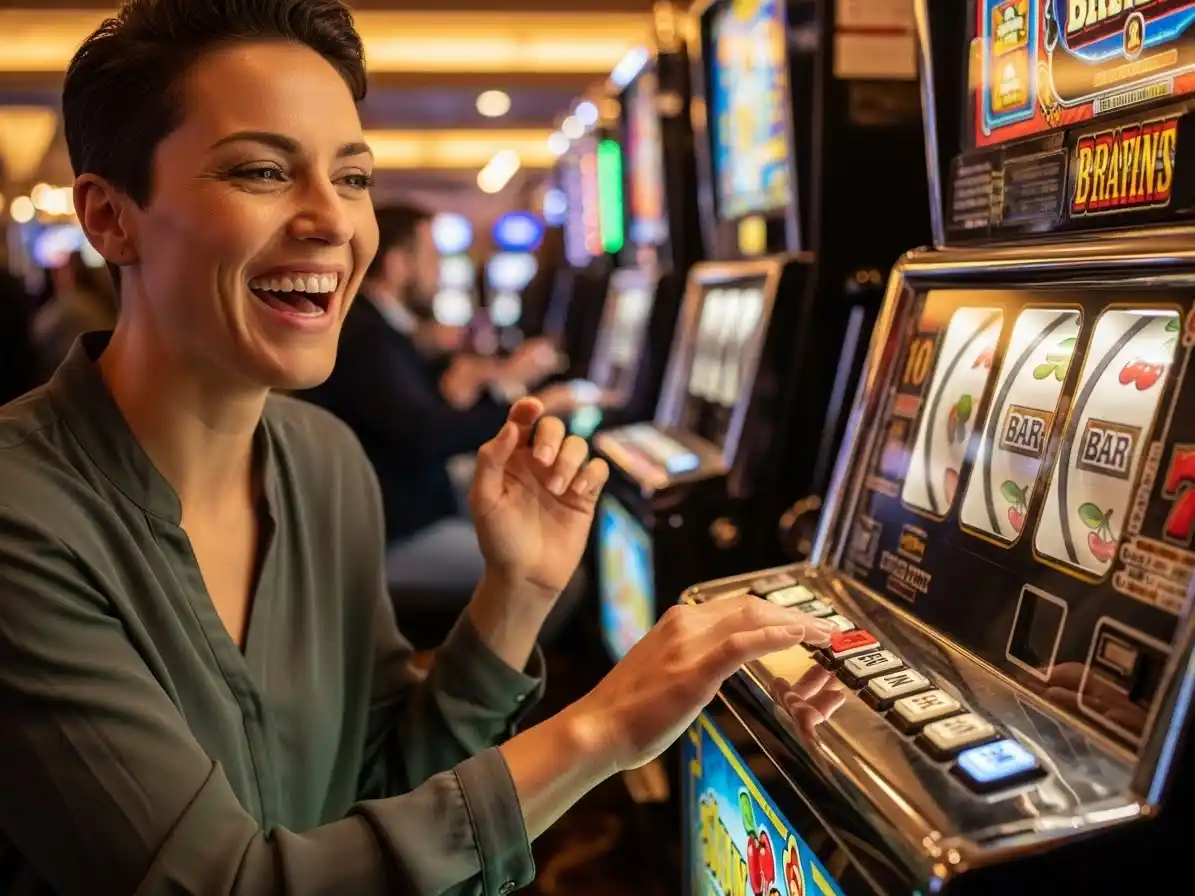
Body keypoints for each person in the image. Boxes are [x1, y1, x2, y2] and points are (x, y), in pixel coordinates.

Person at [0, 1, 838, 893]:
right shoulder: (25, 518)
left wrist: (515, 594)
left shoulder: (324, 461)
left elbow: (383, 784)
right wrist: (602, 728)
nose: (333, 220)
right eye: (260, 171)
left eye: (352, 177)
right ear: (109, 216)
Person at [301, 202, 575, 600]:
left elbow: (411, 414)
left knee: (532, 517)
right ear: (398, 264)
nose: (441, 273)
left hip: (406, 510)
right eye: (432, 258)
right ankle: (474, 662)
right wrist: (535, 409)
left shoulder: (378, 328)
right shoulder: (365, 336)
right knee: (551, 577)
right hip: (388, 535)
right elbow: (424, 435)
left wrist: (477, 387)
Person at [32, 249, 120, 378]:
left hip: (82, 372)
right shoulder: (98, 297)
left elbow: (39, 330)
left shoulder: (71, 303)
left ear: (70, 272)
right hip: (107, 366)